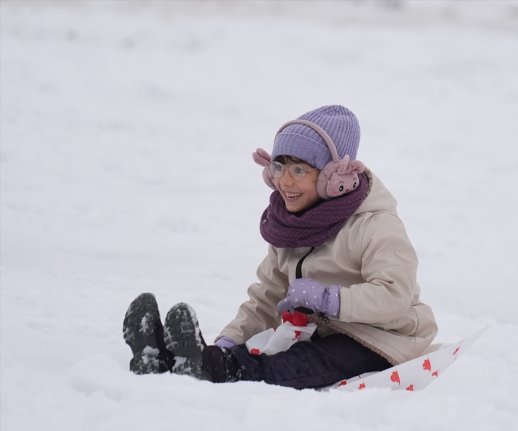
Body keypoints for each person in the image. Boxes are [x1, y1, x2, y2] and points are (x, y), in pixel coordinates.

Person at [122, 105, 438, 389]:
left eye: (299, 169)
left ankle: (218, 369)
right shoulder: (291, 226)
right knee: (269, 348)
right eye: (278, 167)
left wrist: (329, 299)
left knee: (306, 361)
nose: (284, 182)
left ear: (334, 178)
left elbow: (394, 296)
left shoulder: (376, 225)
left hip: (383, 338)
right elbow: (268, 296)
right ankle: (169, 359)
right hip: (320, 330)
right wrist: (229, 340)